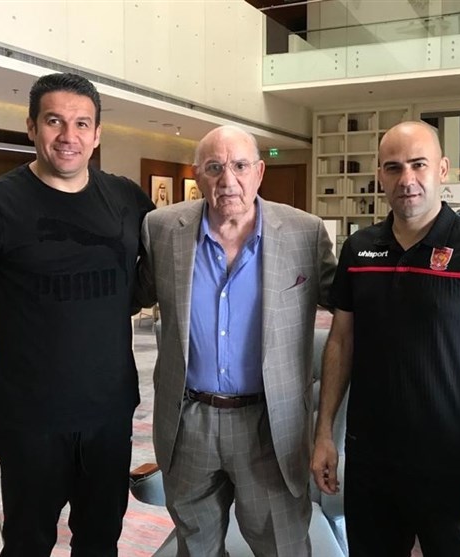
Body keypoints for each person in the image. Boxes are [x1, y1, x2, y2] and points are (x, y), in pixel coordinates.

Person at [0, 73, 154, 556]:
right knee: (27, 543)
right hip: (29, 415)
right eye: (54, 121)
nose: (68, 136)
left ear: (97, 134)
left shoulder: (126, 199)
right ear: (32, 127)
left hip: (109, 408)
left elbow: (165, 266)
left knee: (101, 541)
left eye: (82, 124)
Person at [311, 121, 460, 557]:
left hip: (452, 461)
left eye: (418, 165)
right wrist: (324, 434)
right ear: (380, 176)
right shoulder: (359, 249)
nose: (406, 179)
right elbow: (341, 343)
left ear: (442, 169)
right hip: (371, 459)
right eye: (393, 168)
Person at [135, 125, 337, 556]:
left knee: (282, 546)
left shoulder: (304, 233)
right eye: (214, 167)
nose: (228, 180)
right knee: (196, 547)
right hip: (189, 421)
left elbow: (351, 309)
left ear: (259, 172)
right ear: (198, 175)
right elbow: (127, 296)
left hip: (271, 426)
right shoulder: (162, 229)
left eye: (240, 166)